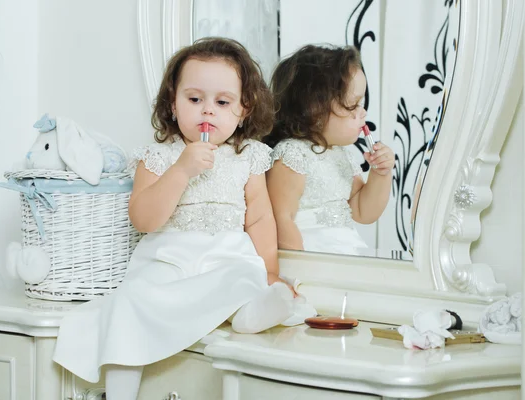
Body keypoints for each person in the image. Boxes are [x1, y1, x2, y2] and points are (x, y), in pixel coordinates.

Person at [53, 37, 314, 400]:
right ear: (173, 104)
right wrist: (181, 171)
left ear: (243, 110)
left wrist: (269, 267)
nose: (207, 111)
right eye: (194, 99)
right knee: (129, 304)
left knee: (243, 277)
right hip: (169, 260)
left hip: (225, 256)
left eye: (222, 102)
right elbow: (143, 219)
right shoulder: (158, 157)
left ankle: (252, 312)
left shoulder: (249, 157)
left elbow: (259, 218)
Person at [263, 45, 394, 255]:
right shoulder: (292, 155)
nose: (363, 112)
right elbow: (280, 219)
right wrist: (302, 267)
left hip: (342, 257)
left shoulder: (341, 155)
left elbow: (363, 211)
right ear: (314, 110)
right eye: (353, 105)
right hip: (312, 258)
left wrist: (381, 174)